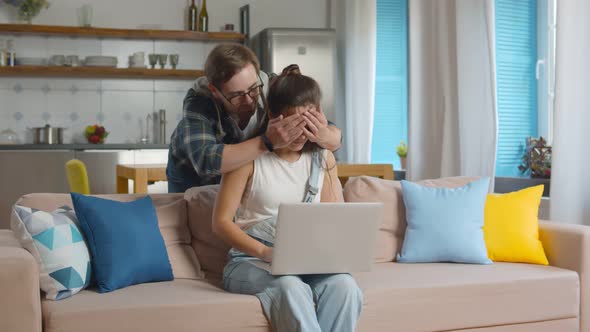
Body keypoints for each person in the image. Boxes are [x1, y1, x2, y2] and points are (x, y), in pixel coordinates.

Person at [212, 64, 363, 332]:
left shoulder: (322, 158)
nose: (300, 133)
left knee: (345, 286)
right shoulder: (248, 159)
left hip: (306, 260)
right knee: (289, 285)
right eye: (293, 122)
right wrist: (266, 252)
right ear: (273, 116)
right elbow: (221, 223)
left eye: (308, 123)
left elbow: (331, 219)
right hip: (250, 261)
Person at [166, 44, 342, 193]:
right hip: (195, 186)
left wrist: (326, 135)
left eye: (253, 89)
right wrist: (267, 142)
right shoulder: (200, 101)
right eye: (236, 95)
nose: (249, 100)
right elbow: (206, 161)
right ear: (215, 91)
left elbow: (331, 133)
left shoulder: (271, 84)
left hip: (244, 187)